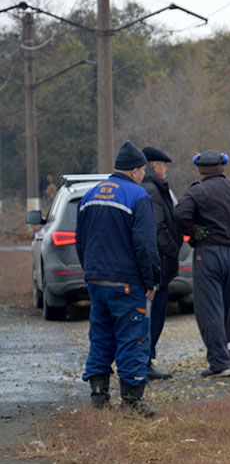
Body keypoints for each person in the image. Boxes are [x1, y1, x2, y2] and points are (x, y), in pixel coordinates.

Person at [76, 141, 160, 417]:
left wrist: (90, 272)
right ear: (135, 170)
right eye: (142, 171)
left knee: (101, 336)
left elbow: (81, 241)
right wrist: (150, 280)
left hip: (96, 281)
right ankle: (132, 402)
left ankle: (99, 399)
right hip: (127, 282)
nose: (143, 176)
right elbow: (145, 244)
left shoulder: (90, 195)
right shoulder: (137, 196)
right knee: (132, 337)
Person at [174, 150, 230, 378]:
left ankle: (220, 364)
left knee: (209, 309)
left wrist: (193, 232)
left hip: (209, 254)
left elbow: (179, 215)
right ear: (223, 167)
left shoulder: (196, 192)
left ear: (200, 170)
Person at [141, 146, 183, 381]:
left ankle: (146, 360)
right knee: (153, 315)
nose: (165, 170)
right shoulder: (152, 190)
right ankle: (145, 362)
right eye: (164, 165)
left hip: (158, 264)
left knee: (154, 314)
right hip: (158, 264)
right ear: (155, 166)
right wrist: (172, 248)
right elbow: (157, 228)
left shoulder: (151, 188)